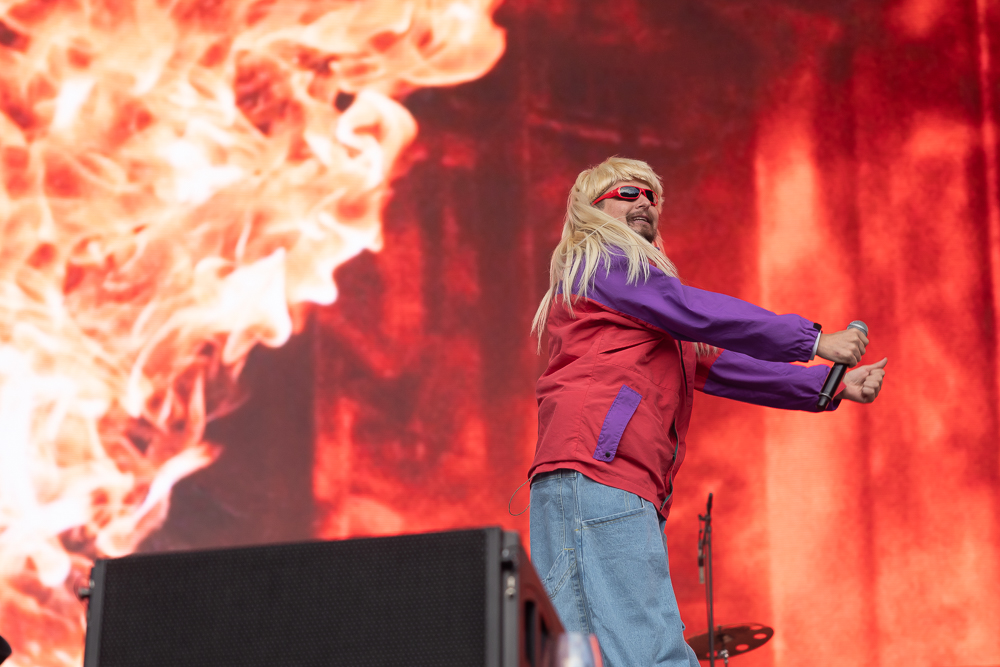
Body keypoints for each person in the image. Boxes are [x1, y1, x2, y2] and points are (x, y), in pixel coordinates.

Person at [527, 157, 887, 667]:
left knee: (576, 657)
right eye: (628, 193)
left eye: (652, 196)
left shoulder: (640, 308)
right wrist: (813, 340)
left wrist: (829, 386)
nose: (645, 202)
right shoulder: (602, 262)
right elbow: (697, 312)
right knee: (651, 653)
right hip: (601, 473)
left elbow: (717, 364)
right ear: (593, 207)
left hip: (587, 481)